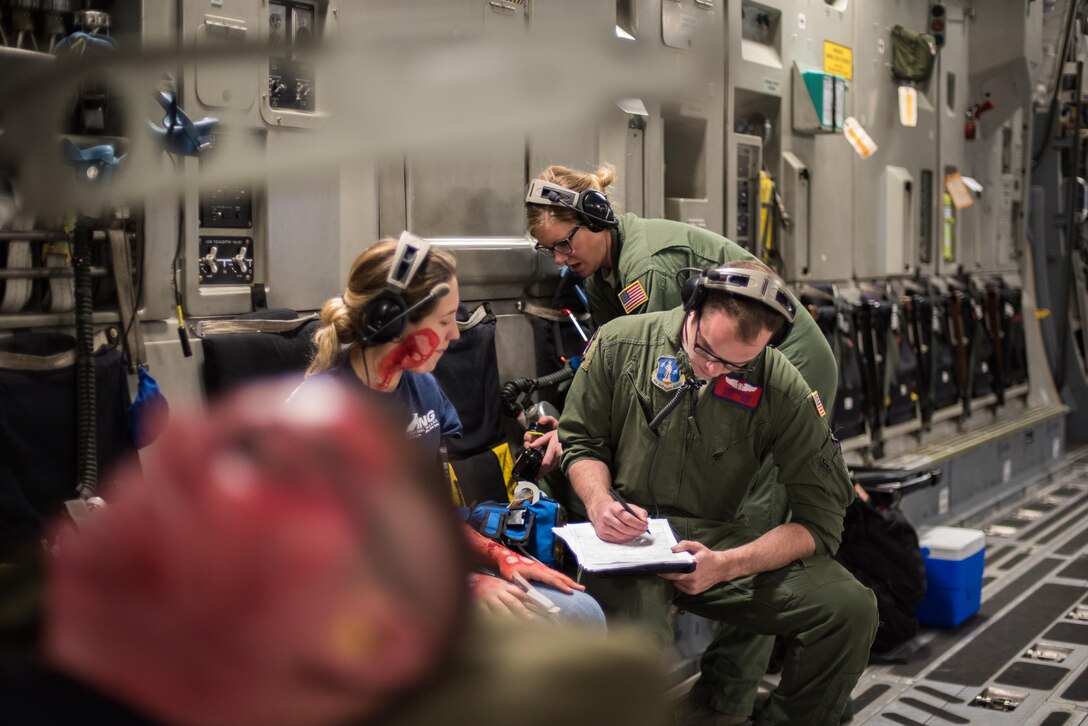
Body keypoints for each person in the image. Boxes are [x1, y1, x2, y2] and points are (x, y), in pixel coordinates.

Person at [524, 164, 842, 718]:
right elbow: (616, 366)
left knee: (751, 530)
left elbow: (663, 378)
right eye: (546, 250)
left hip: (777, 369)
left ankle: (726, 702)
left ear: (596, 218)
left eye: (562, 243)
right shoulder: (604, 272)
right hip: (718, 367)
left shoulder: (646, 270)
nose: (558, 259)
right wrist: (573, 427)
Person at [558, 259, 877, 725]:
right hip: (630, 542)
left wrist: (728, 564)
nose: (711, 369)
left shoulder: (780, 383)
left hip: (718, 544)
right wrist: (600, 501)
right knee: (631, 667)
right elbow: (580, 441)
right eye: (705, 350)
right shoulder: (622, 342)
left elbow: (820, 523)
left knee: (849, 610)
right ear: (693, 304)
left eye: (734, 364)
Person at [298, 232, 605, 626]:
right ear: (392, 324)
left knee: (582, 614)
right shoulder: (320, 415)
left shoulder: (421, 388)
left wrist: (500, 556)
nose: (457, 335)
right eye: (445, 321)